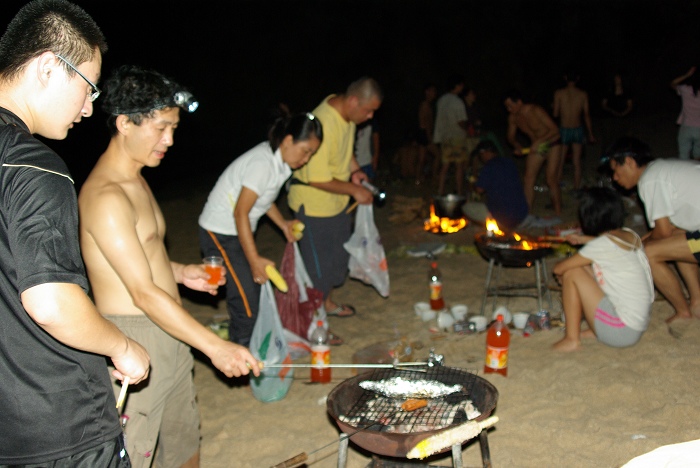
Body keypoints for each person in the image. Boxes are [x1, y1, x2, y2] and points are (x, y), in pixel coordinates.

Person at [78, 65, 261, 468]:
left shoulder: (137, 177)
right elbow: (141, 293)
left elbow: (138, 260)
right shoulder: (106, 196)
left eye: (174, 128)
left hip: (169, 324)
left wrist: (180, 272)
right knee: (136, 452)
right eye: (161, 128)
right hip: (135, 337)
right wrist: (215, 346)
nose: (170, 140)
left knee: (183, 442)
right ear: (124, 123)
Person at [0, 2, 150, 466]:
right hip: (62, 426)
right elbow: (50, 302)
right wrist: (122, 346)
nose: (88, 108)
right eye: (88, 87)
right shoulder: (32, 165)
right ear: (48, 67)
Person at [199, 113, 323, 346]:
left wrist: (283, 224)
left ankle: (243, 342)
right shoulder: (262, 164)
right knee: (246, 302)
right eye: (305, 151)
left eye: (311, 154)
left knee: (250, 294)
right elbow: (241, 212)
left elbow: (263, 200)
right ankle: (241, 354)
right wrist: (254, 259)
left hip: (236, 230)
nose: (306, 159)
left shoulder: (281, 164)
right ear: (288, 140)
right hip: (219, 232)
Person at [287, 77, 381, 319]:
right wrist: (354, 191)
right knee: (318, 270)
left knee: (338, 262)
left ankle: (326, 303)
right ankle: (314, 322)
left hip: (336, 204)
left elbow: (344, 151)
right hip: (313, 207)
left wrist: (355, 171)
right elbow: (316, 178)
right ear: (353, 101)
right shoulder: (323, 124)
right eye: (368, 110)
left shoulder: (346, 116)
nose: (370, 116)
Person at [601, 136, 700, 323]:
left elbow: (663, 232)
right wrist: (635, 243)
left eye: (615, 170)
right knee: (673, 242)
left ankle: (683, 311)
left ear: (629, 162)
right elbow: (670, 228)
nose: (615, 178)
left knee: (649, 254)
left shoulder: (650, 179)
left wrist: (636, 249)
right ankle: (697, 302)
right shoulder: (663, 169)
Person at [552, 187, 653, 352]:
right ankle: (597, 329)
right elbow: (611, 245)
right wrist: (583, 240)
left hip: (621, 331)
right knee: (582, 267)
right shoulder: (630, 235)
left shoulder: (602, 245)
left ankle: (571, 339)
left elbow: (558, 269)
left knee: (572, 272)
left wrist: (564, 273)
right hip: (637, 325)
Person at [504, 89, 563, 217]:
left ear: (519, 102)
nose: (508, 109)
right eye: (506, 107)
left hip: (553, 143)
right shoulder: (513, 118)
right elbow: (510, 137)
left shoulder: (535, 110)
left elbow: (555, 130)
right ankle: (527, 213)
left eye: (510, 105)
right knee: (528, 178)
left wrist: (539, 141)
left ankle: (558, 212)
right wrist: (517, 145)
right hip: (537, 147)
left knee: (551, 179)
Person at [462, 140, 530, 231]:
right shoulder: (509, 162)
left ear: (484, 153)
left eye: (480, 155)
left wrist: (472, 184)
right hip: (521, 214)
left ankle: (497, 226)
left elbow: (479, 190)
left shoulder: (489, 167)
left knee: (466, 207)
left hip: (503, 217)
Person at [553, 70, 596, 192]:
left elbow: (555, 113)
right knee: (576, 161)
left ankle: (558, 187)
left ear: (565, 78)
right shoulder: (583, 94)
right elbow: (586, 114)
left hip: (564, 130)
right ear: (577, 79)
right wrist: (590, 134)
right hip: (577, 129)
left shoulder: (559, 93)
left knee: (560, 160)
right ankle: (577, 188)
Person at [434, 75, 469, 195]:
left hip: (445, 136)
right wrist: (467, 129)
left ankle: (440, 191)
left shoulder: (441, 100)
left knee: (445, 165)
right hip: (457, 136)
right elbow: (461, 121)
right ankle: (459, 191)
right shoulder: (457, 101)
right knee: (459, 166)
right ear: (457, 86)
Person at [670, 66, 700, 160]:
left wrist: (687, 75)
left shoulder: (685, 90)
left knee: (683, 156)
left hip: (686, 127)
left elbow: (673, 83)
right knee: (698, 156)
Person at [600, 72, 634, 151]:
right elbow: (603, 105)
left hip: (624, 117)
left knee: (625, 137)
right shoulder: (609, 91)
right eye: (616, 79)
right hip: (611, 118)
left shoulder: (626, 91)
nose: (617, 80)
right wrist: (612, 111)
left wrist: (623, 113)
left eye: (618, 78)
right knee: (609, 138)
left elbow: (630, 106)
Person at [416, 83, 440, 184]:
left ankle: (418, 178)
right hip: (425, 133)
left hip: (424, 134)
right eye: (432, 91)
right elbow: (424, 122)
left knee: (422, 159)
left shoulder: (428, 105)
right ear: (427, 92)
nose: (434, 93)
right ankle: (434, 175)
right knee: (438, 155)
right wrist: (429, 136)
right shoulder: (425, 105)